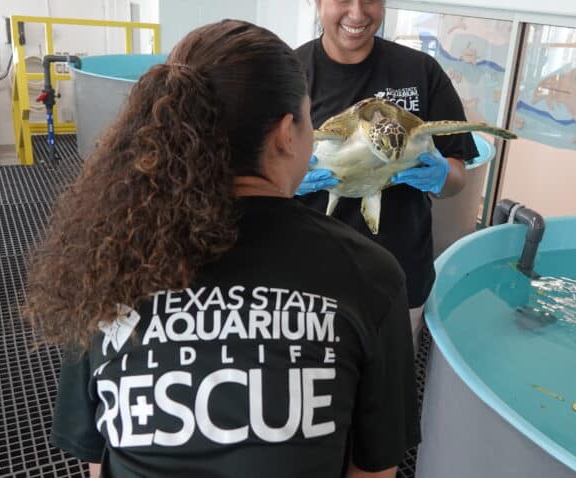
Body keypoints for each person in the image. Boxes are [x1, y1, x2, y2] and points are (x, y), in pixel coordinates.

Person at [22, 19, 418, 478]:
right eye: (311, 119)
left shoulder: (104, 259)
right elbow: (374, 469)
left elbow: (98, 458)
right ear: (287, 132)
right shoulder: (370, 275)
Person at [295, 0, 479, 342]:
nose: (357, 13)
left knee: (391, 388)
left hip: (400, 276)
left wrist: (441, 177)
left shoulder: (420, 71)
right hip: (311, 276)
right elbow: (252, 179)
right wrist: (286, 184)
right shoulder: (291, 75)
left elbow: (457, 174)